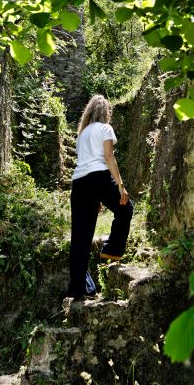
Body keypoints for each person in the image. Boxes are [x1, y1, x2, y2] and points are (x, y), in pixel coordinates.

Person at [66, 94, 133, 300]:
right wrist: (120, 186)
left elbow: (85, 163)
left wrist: (96, 199)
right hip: (99, 178)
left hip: (79, 183)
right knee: (126, 208)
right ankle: (111, 249)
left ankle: (78, 289)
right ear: (105, 112)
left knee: (80, 237)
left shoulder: (82, 133)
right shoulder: (105, 128)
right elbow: (108, 157)